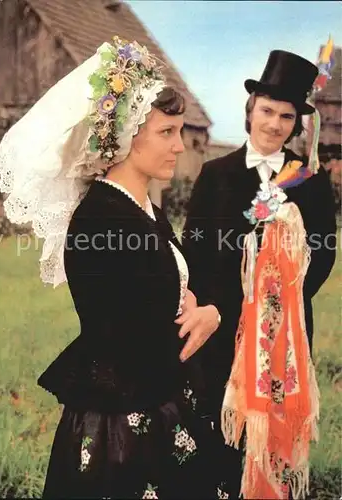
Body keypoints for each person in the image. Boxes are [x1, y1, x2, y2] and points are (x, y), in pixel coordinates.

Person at [0, 38, 228, 499]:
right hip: (122, 421)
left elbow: (166, 293)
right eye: (167, 132)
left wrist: (200, 305)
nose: (180, 146)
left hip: (156, 399)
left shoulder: (143, 209)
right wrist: (203, 316)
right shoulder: (101, 217)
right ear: (125, 135)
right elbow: (125, 333)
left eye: (180, 131)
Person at [182, 50, 337, 499]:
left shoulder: (307, 181)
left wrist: (279, 298)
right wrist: (230, 304)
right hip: (223, 326)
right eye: (267, 111)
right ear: (250, 112)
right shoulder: (216, 175)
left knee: (276, 431)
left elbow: (323, 254)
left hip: (283, 331)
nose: (274, 124)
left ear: (296, 123)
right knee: (227, 430)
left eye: (286, 116)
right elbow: (195, 249)